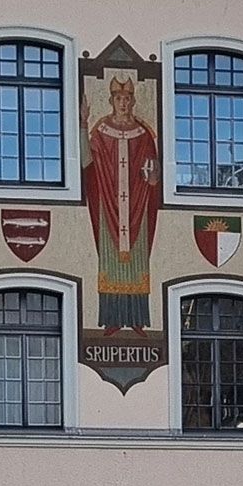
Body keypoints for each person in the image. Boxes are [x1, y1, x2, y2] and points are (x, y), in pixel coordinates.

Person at [82, 75, 161, 333]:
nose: (123, 103)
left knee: (137, 262)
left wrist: (152, 179)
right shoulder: (101, 131)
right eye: (118, 98)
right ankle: (113, 319)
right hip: (109, 205)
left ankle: (137, 319)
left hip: (138, 205)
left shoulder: (144, 133)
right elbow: (86, 163)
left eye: (127, 99)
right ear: (111, 100)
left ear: (134, 101)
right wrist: (83, 124)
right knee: (110, 262)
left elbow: (154, 171)